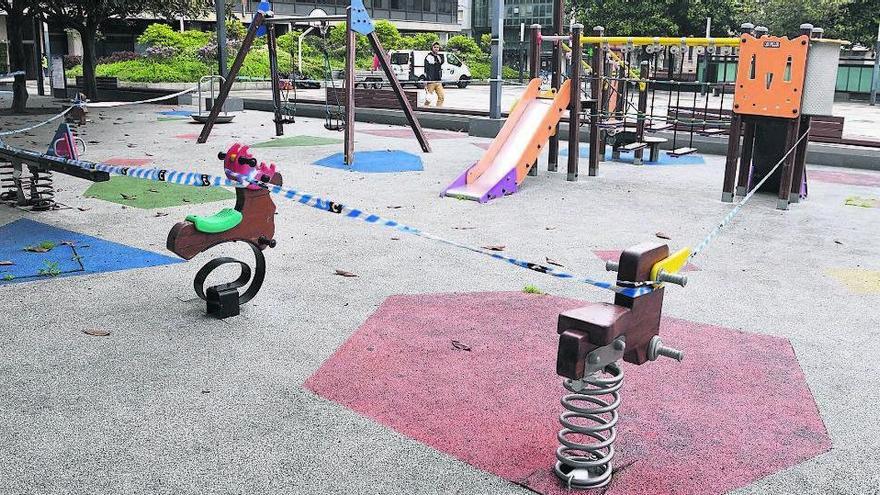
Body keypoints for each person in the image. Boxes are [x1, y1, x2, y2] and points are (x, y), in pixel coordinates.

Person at [423, 42, 445, 107]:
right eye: (435, 47)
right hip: (430, 81)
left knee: (441, 97)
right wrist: (425, 81)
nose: (436, 49)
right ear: (432, 48)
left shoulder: (439, 57)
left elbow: (440, 66)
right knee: (428, 99)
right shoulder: (428, 57)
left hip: (438, 80)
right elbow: (426, 69)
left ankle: (438, 110)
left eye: (437, 47)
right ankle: (425, 109)